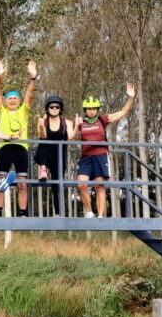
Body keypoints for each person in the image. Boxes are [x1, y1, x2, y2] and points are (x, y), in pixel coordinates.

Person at [74, 83, 136, 218]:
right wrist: (76, 125)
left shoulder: (102, 119)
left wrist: (130, 98)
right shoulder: (81, 122)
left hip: (100, 156)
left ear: (97, 109)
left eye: (94, 108)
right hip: (85, 156)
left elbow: (122, 113)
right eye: (88, 109)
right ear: (85, 110)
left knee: (99, 185)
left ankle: (101, 216)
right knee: (81, 185)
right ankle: (90, 212)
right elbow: (71, 137)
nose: (91, 111)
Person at [0, 59, 37, 216]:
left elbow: (29, 94)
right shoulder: (1, 111)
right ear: (6, 101)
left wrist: (32, 78)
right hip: (5, 148)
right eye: (10, 98)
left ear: (19, 101)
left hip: (21, 149)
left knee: (23, 184)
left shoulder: (23, 111)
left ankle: (22, 214)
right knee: (0, 182)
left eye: (15, 98)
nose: (12, 100)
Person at [34, 95, 76, 217]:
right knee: (44, 144)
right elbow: (42, 137)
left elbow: (71, 138)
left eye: (57, 107)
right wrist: (41, 126)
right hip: (45, 155)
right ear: (47, 108)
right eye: (51, 106)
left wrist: (77, 125)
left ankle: (58, 212)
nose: (54, 108)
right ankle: (43, 169)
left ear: (60, 108)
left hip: (59, 155)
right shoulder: (43, 121)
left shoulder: (66, 122)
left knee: (57, 184)